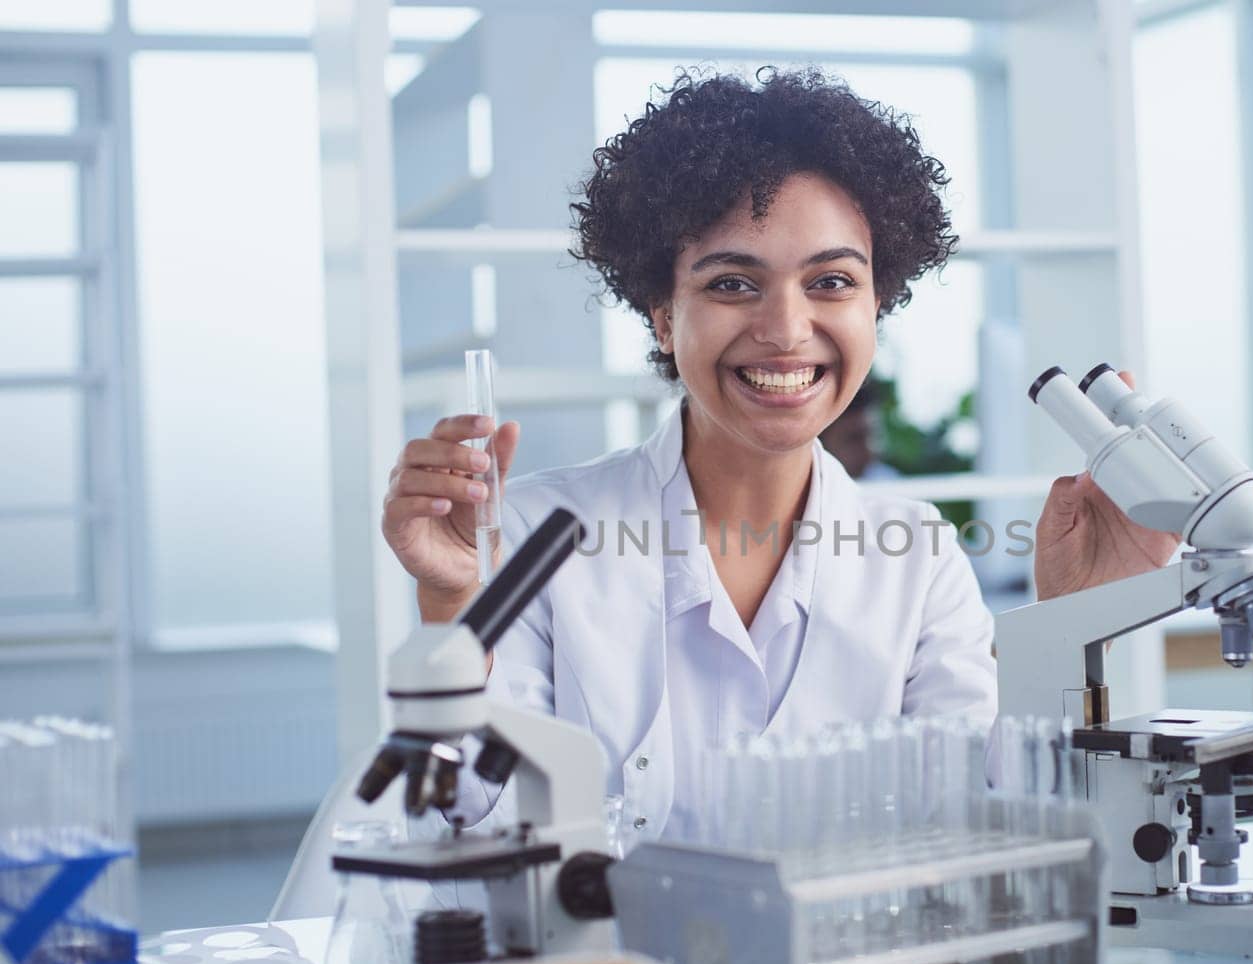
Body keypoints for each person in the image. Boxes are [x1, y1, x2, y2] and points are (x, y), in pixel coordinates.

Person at [381, 67, 1177, 839]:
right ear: (663, 314)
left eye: (832, 282)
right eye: (732, 284)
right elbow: (471, 812)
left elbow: (981, 826)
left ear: (877, 305)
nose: (788, 329)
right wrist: (451, 612)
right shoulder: (530, 533)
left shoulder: (918, 557)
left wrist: (1072, 626)